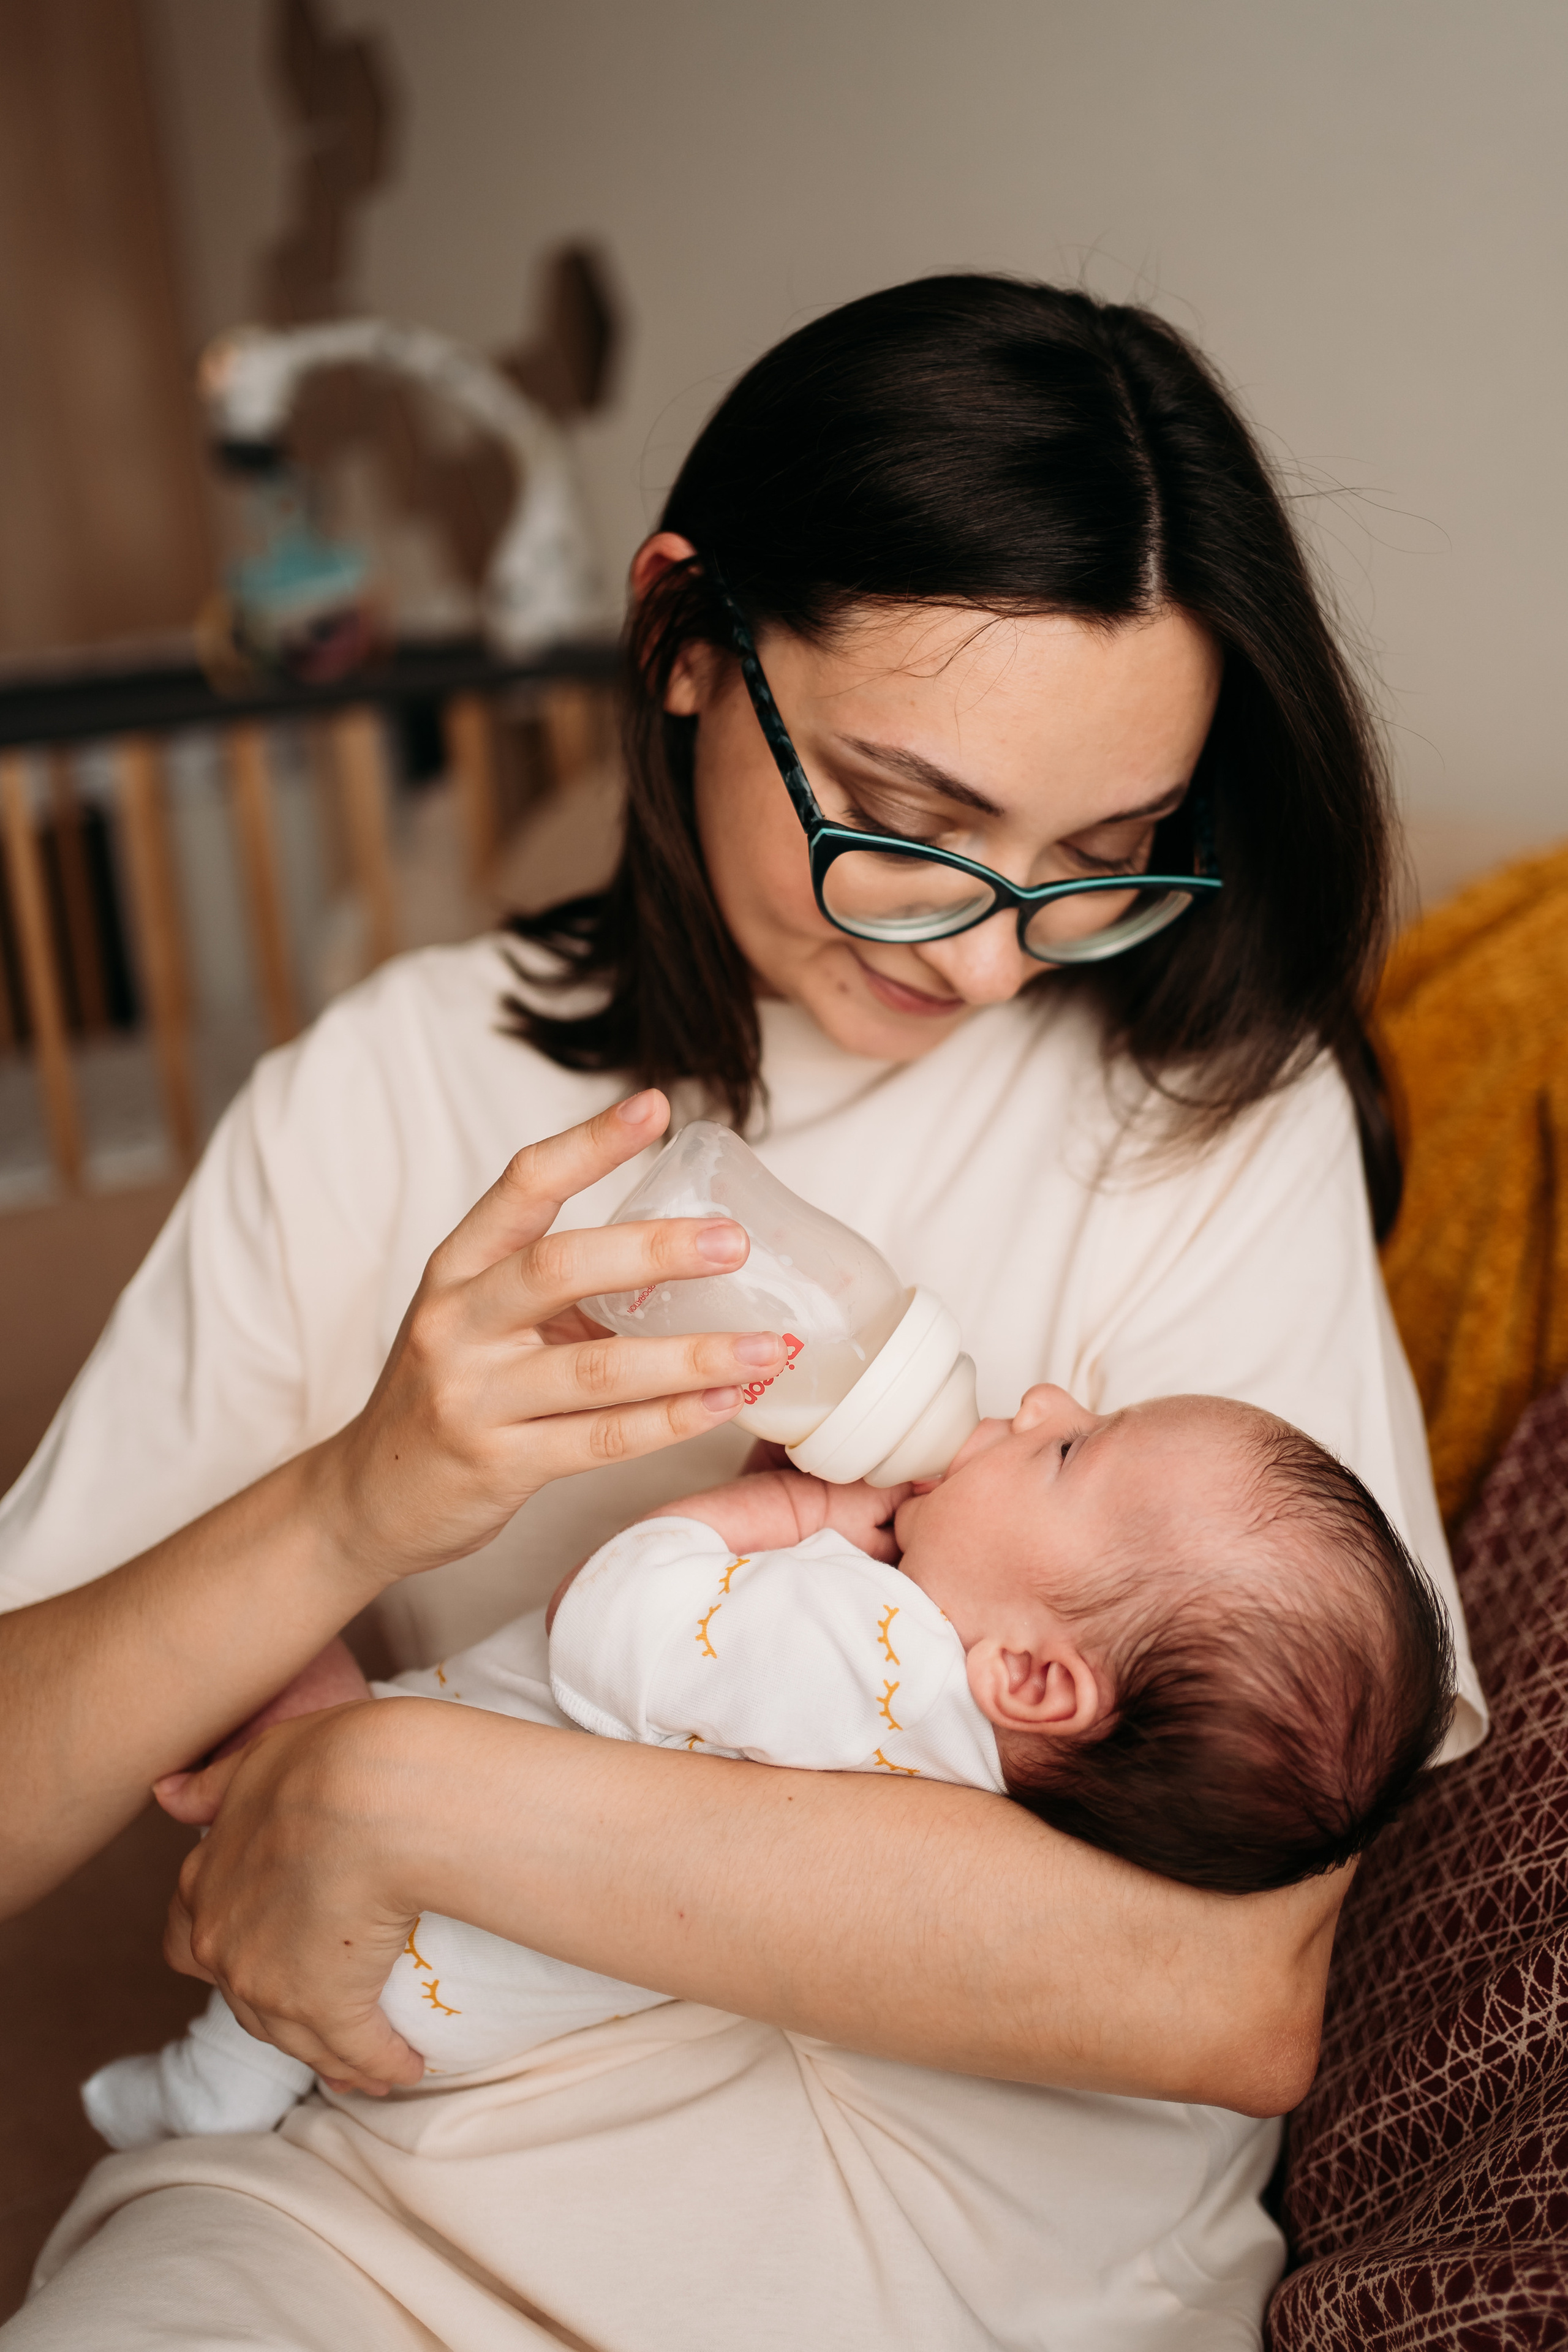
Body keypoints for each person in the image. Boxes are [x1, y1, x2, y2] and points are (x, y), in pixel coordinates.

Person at [0, 276, 1486, 2351]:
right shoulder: (397, 1088)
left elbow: (1223, 1990)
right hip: (404, 2200)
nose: (991, 962)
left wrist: (381, 1797)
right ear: (683, 640)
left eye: (1107, 858)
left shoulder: (1204, 1119)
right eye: (914, 823)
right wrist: (355, 1505)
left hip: (995, 2264)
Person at [81, 1385, 1457, 2155]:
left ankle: (206, 2092)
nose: (1044, 1396)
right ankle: (220, 2081)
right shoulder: (988, 1777)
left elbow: (606, 1621)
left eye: (1065, 1449)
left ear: (1032, 1677)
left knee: (257, 1632)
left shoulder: (869, 1641)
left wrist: (776, 1511)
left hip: (408, 1926)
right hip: (466, 1993)